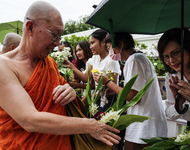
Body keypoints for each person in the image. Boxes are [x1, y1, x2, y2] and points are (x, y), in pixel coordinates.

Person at [0, 1, 121, 149]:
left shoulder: (49, 63)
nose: (57, 43)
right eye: (54, 35)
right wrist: (90, 125)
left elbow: (62, 91)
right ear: (30, 28)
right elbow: (29, 120)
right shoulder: (4, 66)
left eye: (60, 36)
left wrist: (70, 92)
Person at [93, 32, 168, 150]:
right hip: (146, 123)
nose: (110, 52)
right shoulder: (138, 58)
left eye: (110, 48)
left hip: (143, 126)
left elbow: (131, 97)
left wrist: (107, 82)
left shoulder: (134, 60)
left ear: (121, 45)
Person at [64, 29, 121, 112]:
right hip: (96, 101)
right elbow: (85, 78)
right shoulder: (94, 58)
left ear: (103, 42)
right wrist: (70, 66)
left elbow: (110, 90)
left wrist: (88, 98)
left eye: (93, 43)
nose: (90, 47)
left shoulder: (111, 60)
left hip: (108, 104)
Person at [157, 28, 190, 131]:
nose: (171, 60)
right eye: (166, 57)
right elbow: (171, 113)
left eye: (175, 53)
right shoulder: (171, 77)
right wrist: (178, 104)